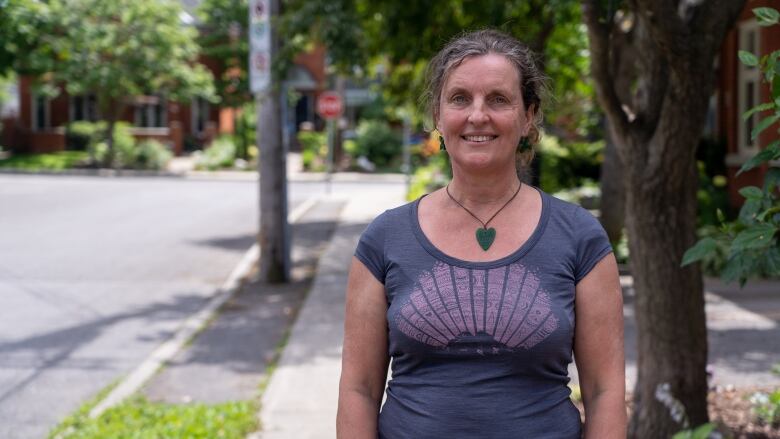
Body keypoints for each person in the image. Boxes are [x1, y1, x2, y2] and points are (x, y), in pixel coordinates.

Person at [337, 29, 626, 438]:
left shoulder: (580, 238)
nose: (477, 115)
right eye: (459, 98)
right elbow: (358, 390)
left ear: (529, 116)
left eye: (498, 99)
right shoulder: (385, 239)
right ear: (437, 116)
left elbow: (605, 392)